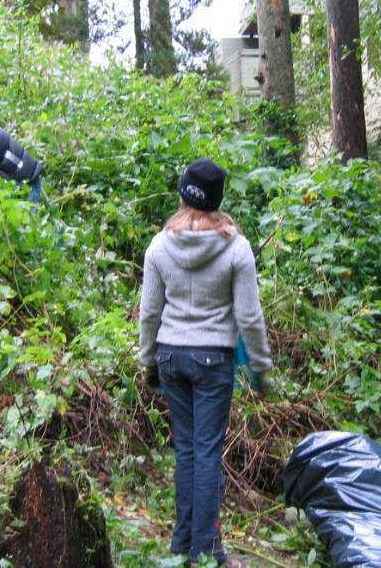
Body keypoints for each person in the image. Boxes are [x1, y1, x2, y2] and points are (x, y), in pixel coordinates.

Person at [139, 158, 272, 568]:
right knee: (207, 453)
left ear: (182, 193)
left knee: (187, 452)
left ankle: (183, 544)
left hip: (171, 356)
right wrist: (261, 369)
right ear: (218, 199)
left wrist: (148, 361)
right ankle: (207, 551)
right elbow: (249, 317)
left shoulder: (160, 245)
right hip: (213, 359)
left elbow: (149, 313)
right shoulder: (236, 247)